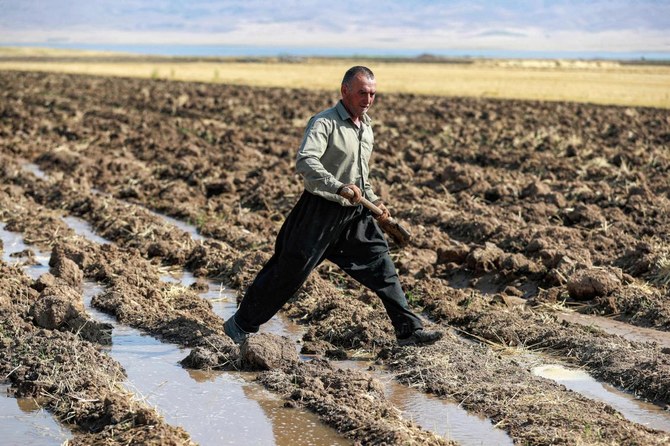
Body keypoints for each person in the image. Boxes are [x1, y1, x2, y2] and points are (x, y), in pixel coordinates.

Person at [224, 66, 442, 347]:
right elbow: (306, 162)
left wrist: (374, 200)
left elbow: (360, 176)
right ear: (345, 91)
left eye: (373, 94)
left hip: (354, 214)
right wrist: (337, 186)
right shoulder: (324, 123)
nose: (368, 99)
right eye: (362, 92)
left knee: (382, 267)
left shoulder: (367, 128)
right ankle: (240, 324)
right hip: (318, 211)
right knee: (287, 272)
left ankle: (409, 331)